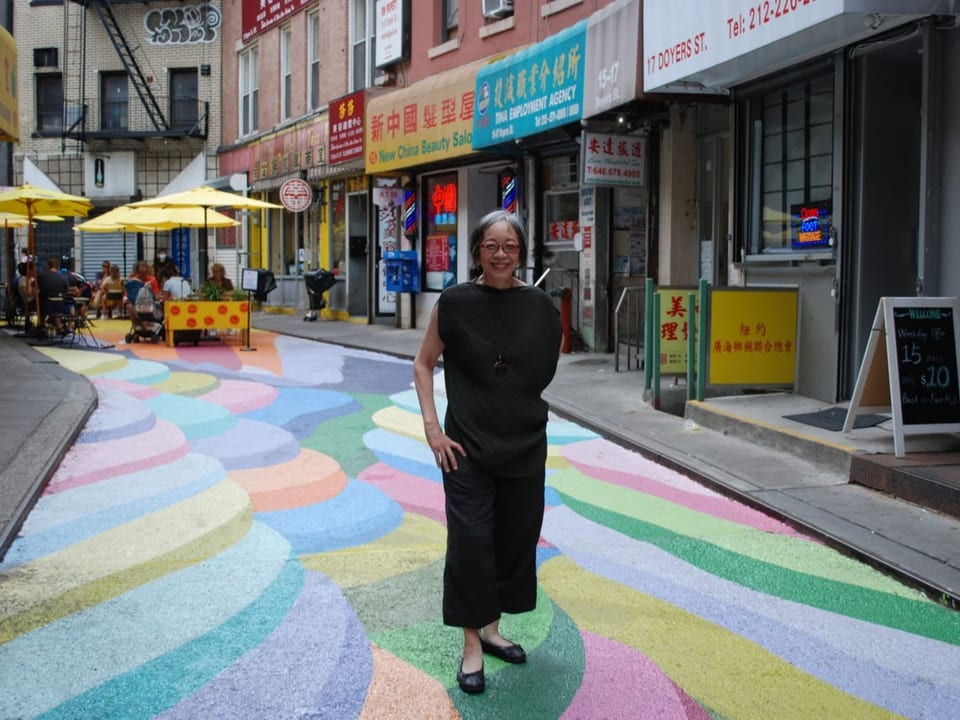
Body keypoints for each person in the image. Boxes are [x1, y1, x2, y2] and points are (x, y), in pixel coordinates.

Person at [412, 210, 562, 695]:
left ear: (521, 252)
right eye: (491, 245)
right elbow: (423, 363)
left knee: (513, 540)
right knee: (471, 542)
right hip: (465, 448)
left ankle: (494, 628)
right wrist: (434, 430)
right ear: (477, 251)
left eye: (510, 246)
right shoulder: (454, 302)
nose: (500, 254)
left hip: (523, 444)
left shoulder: (539, 304)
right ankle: (472, 642)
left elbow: (543, 364)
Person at [36, 257, 71, 333]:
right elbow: (67, 291)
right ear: (58, 266)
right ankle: (59, 325)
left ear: (48, 266)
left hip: (44, 306)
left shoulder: (41, 276)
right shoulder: (64, 277)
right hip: (60, 307)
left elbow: (34, 286)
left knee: (41, 299)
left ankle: (41, 324)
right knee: (58, 302)